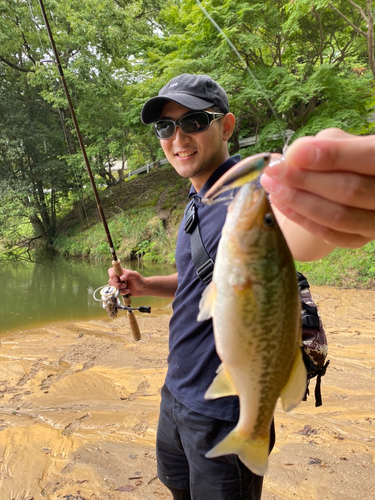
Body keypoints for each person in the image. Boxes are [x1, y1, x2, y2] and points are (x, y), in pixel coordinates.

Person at [108, 74, 375, 499]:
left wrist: (338, 205)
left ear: (227, 126)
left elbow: (299, 229)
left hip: (228, 407)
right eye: (165, 126)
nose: (178, 136)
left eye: (194, 121)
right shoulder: (197, 197)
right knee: (177, 488)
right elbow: (208, 282)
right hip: (176, 393)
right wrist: (146, 284)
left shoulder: (250, 192)